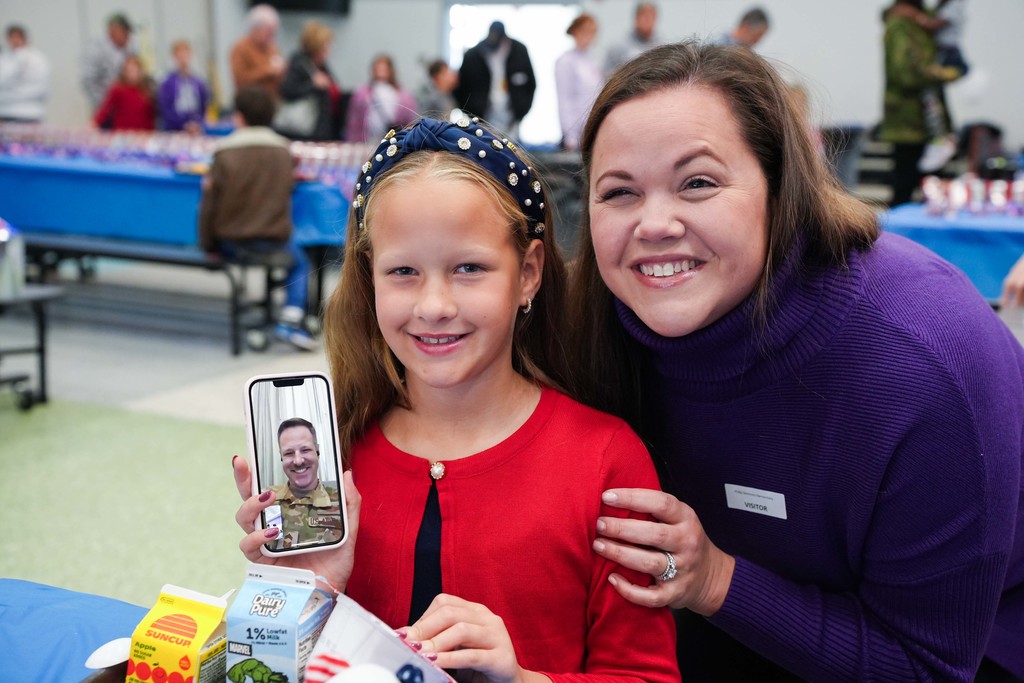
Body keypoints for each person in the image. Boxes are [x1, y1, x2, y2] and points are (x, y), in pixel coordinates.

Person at [569, 41, 1024, 681]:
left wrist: (716, 579)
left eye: (697, 183)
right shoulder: (586, 319)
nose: (654, 224)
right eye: (618, 192)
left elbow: (929, 665)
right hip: (715, 623)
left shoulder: (923, 359)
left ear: (782, 188)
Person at [233, 116, 681, 682]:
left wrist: (523, 680)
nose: (434, 305)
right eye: (403, 272)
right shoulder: (338, 456)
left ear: (529, 273)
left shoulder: (607, 463)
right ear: (369, 278)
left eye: (469, 268)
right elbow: (270, 670)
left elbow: (645, 675)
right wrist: (306, 589)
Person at [198, 85, 316, 351]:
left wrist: (209, 246)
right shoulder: (284, 153)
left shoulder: (223, 153)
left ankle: (285, 321)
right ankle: (290, 320)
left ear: (239, 117)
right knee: (300, 261)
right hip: (274, 241)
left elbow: (209, 205)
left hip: (231, 240)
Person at [879, 0, 962, 206]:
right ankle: (899, 237)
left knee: (935, 190)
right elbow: (905, 73)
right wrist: (943, 74)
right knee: (905, 187)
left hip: (930, 120)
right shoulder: (900, 24)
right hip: (908, 122)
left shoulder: (922, 21)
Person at [267, 417, 342, 551]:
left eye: (305, 450)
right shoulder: (267, 501)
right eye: (289, 453)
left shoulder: (342, 500)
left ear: (317, 451)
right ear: (281, 457)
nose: (298, 460)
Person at [453, 21, 536, 138]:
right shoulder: (473, 55)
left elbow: (530, 85)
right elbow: (461, 89)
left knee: (512, 152)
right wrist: (474, 115)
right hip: (482, 121)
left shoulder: (519, 51)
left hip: (512, 122)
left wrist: (520, 112)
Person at [277, 20, 342, 141]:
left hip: (322, 129)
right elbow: (287, 90)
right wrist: (313, 85)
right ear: (317, 45)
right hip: (303, 130)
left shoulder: (321, 65)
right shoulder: (299, 63)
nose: (329, 48)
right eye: (326, 44)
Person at [554, 14, 603, 151]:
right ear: (576, 32)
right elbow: (565, 99)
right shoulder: (565, 61)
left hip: (592, 127)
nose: (589, 36)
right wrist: (570, 136)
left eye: (592, 32)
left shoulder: (592, 60)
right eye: (586, 31)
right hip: (575, 132)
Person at [344, 54, 416, 143]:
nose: (380, 72)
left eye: (383, 69)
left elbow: (409, 121)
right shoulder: (361, 94)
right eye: (378, 69)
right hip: (366, 140)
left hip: (394, 140)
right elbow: (353, 121)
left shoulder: (404, 96)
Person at [80, 12, 135, 113]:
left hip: (124, 109)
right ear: (113, 30)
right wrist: (104, 106)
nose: (128, 37)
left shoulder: (128, 50)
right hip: (105, 109)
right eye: (125, 32)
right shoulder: (96, 49)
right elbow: (88, 80)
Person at [230, 3, 284, 96]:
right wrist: (267, 71)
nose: (271, 37)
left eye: (273, 33)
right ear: (256, 29)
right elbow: (240, 81)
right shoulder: (240, 48)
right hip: (250, 104)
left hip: (270, 103)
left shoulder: (272, 48)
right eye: (269, 33)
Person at [0, 24, 50, 123]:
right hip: (5, 112)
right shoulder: (5, 58)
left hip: (30, 113)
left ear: (25, 38)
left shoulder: (38, 59)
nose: (14, 41)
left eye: (17, 37)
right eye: (11, 38)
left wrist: (13, 95)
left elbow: (42, 88)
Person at [92, 55, 156, 131]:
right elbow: (105, 110)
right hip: (123, 133)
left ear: (140, 71)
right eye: (129, 71)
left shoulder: (147, 90)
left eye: (135, 70)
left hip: (143, 133)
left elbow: (151, 115)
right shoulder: (118, 89)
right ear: (124, 72)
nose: (132, 73)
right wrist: (93, 124)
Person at [157, 39, 209, 134]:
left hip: (195, 130)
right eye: (180, 55)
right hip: (174, 131)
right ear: (174, 57)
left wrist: (197, 123)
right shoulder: (168, 82)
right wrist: (183, 125)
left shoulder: (198, 82)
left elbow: (203, 107)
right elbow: (166, 110)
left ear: (190, 55)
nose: (183, 58)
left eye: (185, 54)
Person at [604, 2, 661, 75]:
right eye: (645, 17)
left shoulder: (660, 47)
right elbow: (606, 76)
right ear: (636, 18)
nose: (648, 21)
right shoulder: (618, 47)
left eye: (651, 17)